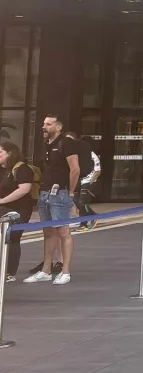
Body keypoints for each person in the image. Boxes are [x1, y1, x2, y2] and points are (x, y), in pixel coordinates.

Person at [25, 115, 79, 286]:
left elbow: (75, 169)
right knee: (48, 232)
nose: (44, 126)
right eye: (44, 123)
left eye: (48, 124)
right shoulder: (47, 144)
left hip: (60, 192)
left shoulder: (66, 143)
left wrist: (70, 191)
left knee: (63, 232)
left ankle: (65, 271)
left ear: (58, 127)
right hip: (45, 191)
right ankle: (46, 270)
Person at [0, 140, 36, 282]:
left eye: (0, 152)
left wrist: (3, 201)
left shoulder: (22, 169)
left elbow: (24, 189)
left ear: (10, 153)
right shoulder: (3, 170)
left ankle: (9, 272)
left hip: (19, 208)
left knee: (13, 237)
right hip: (4, 208)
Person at [64, 131, 101, 230]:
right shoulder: (67, 153)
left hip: (87, 180)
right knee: (76, 202)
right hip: (76, 181)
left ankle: (85, 222)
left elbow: (98, 170)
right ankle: (91, 217)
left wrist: (90, 182)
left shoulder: (88, 152)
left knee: (82, 202)